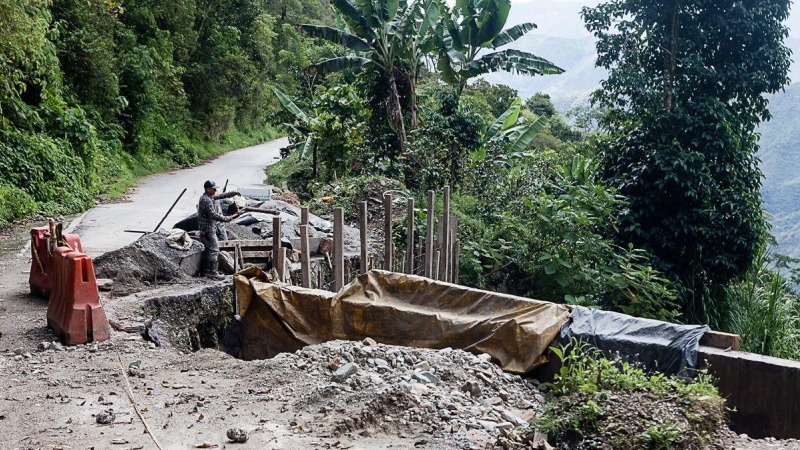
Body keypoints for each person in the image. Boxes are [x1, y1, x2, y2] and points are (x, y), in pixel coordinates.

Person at [198, 180, 241, 280]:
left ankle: (205, 271)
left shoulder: (209, 197)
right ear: (208, 189)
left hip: (206, 229)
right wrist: (228, 218)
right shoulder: (206, 200)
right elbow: (213, 215)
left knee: (207, 250)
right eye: (213, 189)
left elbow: (221, 196)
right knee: (214, 250)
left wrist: (233, 193)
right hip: (208, 230)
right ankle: (213, 272)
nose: (215, 191)